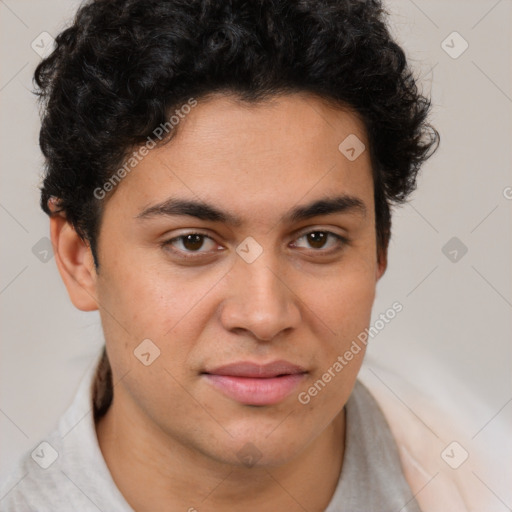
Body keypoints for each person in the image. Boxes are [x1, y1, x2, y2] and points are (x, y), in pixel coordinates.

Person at [4, 0, 490, 510]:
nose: (264, 316)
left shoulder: (482, 483)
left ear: (378, 252)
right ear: (80, 258)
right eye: (191, 241)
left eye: (318, 239)